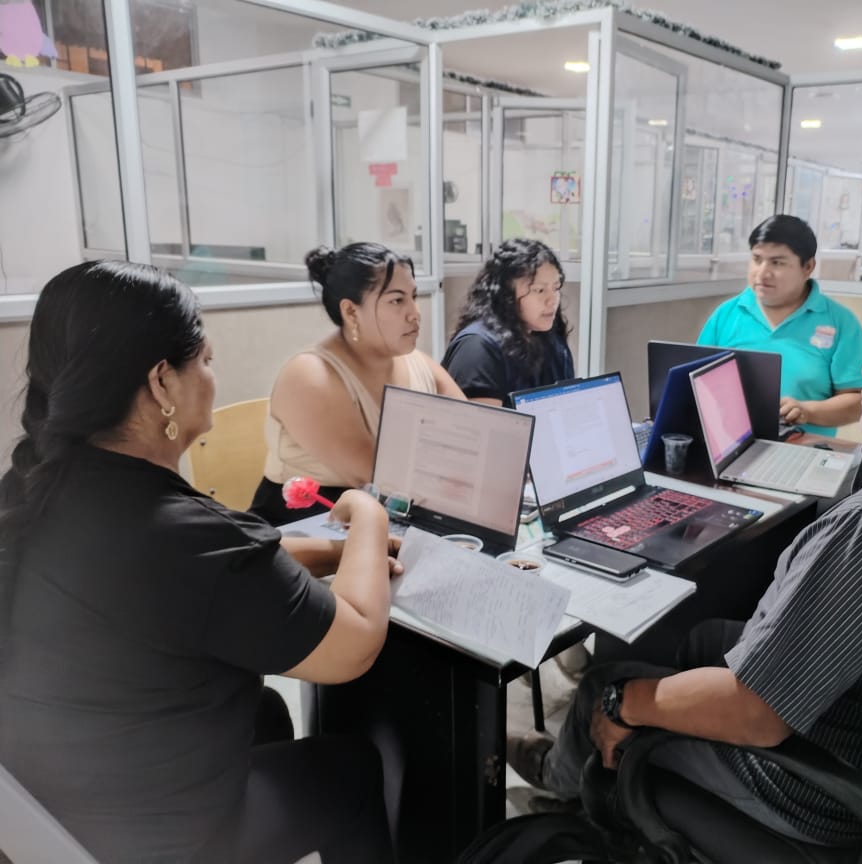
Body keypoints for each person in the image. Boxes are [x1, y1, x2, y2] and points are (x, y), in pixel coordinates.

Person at [509, 276, 862, 846]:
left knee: (605, 686)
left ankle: (563, 791)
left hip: (804, 782)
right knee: (696, 638)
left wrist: (625, 703)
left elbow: (756, 715)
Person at [0, 261, 401, 863]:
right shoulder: (178, 533)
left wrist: (339, 554)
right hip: (154, 840)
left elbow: (221, 573)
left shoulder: (37, 486)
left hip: (56, 816)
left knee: (265, 711)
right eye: (206, 360)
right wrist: (368, 515)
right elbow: (355, 643)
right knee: (351, 769)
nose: (213, 377)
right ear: (162, 382)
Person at [250, 242, 464, 525]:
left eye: (413, 297)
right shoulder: (310, 375)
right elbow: (377, 476)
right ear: (351, 312)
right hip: (305, 528)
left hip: (395, 517)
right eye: (397, 301)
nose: (415, 313)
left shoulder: (418, 363)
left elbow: (474, 433)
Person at [697, 215, 862, 436]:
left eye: (777, 263)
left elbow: (858, 400)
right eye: (757, 259)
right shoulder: (726, 315)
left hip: (804, 447)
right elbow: (696, 382)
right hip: (730, 444)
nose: (763, 273)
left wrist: (807, 411)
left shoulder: (840, 322)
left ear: (808, 267)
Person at [442, 238, 574, 408]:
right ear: (506, 294)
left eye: (555, 288)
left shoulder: (550, 339)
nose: (552, 300)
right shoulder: (478, 347)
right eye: (539, 290)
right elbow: (482, 424)